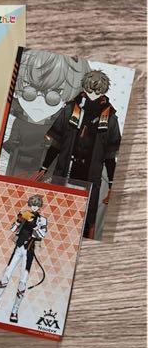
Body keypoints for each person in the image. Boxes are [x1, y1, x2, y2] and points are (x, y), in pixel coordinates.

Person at [40, 68, 121, 239]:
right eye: (90, 90)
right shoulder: (70, 109)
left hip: (90, 177)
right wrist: (44, 167)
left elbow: (110, 156)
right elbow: (56, 143)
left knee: (82, 221)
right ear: (84, 88)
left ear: (103, 91)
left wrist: (112, 184)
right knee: (56, 212)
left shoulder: (110, 118)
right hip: (66, 171)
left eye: (97, 91)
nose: (92, 95)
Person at [0, 50, 90, 177]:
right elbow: (9, 143)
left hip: (47, 170)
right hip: (15, 167)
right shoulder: (16, 121)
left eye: (54, 95)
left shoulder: (61, 124)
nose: (39, 101)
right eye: (29, 91)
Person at [0, 194, 47, 323]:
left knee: (23, 280)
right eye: (32, 205)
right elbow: (12, 229)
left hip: (29, 250)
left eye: (36, 205)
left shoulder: (42, 220)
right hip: (18, 247)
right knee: (6, 273)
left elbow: (42, 235)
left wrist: (34, 225)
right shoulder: (24, 214)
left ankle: (15, 311)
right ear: (29, 205)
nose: (34, 207)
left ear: (40, 207)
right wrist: (19, 220)